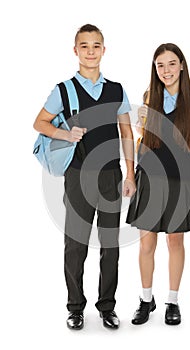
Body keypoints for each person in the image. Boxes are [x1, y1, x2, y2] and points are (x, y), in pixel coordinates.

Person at [33, 24, 136, 330]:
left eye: (96, 46)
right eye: (84, 46)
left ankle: (107, 307)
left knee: (110, 244)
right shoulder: (64, 89)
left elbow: (127, 132)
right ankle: (75, 307)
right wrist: (66, 133)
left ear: (104, 50)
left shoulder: (117, 89)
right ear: (75, 50)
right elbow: (39, 122)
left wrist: (129, 173)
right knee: (75, 244)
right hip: (77, 176)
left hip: (110, 177)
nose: (90, 51)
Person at [126, 43, 190, 326]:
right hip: (150, 180)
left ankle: (172, 301)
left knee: (175, 241)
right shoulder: (148, 100)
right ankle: (145, 299)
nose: (166, 70)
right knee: (146, 243)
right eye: (160, 65)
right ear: (155, 69)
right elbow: (143, 140)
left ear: (182, 66)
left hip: (181, 182)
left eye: (172, 64)